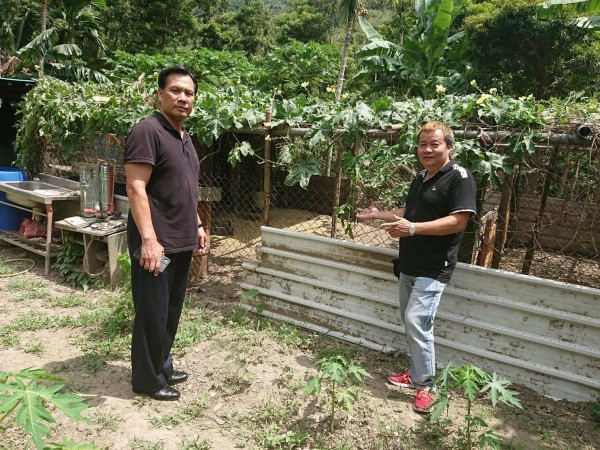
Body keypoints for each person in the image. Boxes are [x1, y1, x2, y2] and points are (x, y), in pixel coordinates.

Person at [357, 121, 477, 413]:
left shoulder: (459, 177)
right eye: (422, 144)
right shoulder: (422, 177)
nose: (427, 149)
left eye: (434, 144)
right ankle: (415, 373)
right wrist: (378, 214)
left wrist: (412, 229)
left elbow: (458, 221)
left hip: (434, 267)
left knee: (417, 322)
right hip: (410, 262)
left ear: (448, 146)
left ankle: (427, 387)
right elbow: (408, 212)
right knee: (411, 322)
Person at [124, 66, 209, 401]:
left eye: (188, 93)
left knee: (171, 308)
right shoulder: (148, 131)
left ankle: (162, 364)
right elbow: (135, 187)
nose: (183, 98)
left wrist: (198, 225)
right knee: (152, 311)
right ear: (160, 94)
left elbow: (183, 188)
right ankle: (146, 378)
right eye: (175, 91)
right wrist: (148, 239)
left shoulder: (184, 136)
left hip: (181, 238)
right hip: (156, 243)